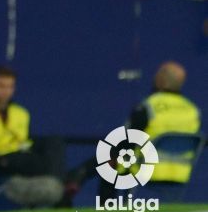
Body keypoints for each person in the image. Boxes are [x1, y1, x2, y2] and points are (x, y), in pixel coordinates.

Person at [64, 61, 201, 201]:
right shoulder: (193, 110)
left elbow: (127, 139)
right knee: (113, 157)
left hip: (146, 167)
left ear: (161, 80)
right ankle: (79, 175)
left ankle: (95, 200)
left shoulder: (149, 106)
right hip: (181, 172)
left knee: (109, 162)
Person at [0, 66, 65, 192]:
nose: (6, 91)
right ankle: (61, 188)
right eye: (1, 86)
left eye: (10, 87)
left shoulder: (20, 113)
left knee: (53, 143)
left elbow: (24, 141)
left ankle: (57, 186)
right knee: (39, 163)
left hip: (20, 158)